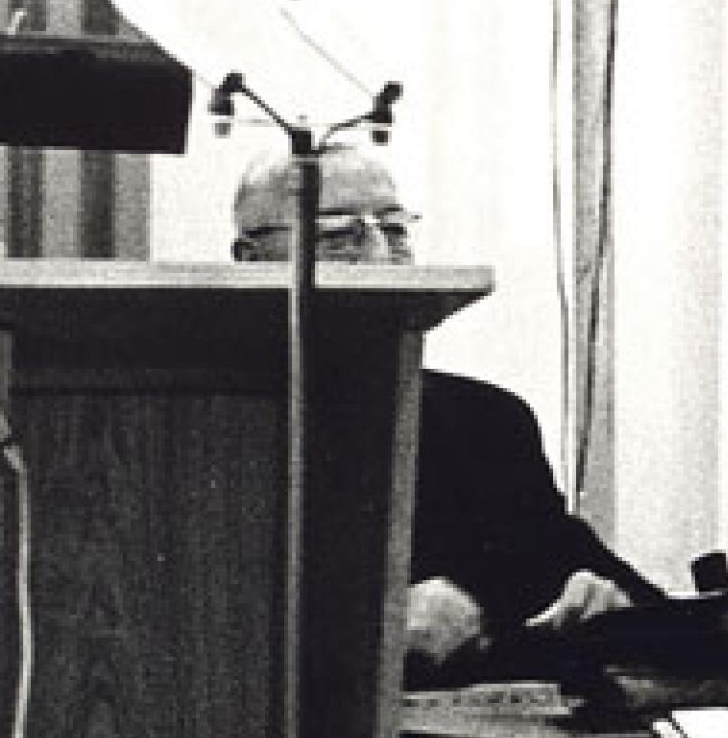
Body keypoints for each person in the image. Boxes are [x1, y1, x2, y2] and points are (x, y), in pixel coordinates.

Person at [230, 145, 662, 686]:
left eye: (395, 230)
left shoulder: (485, 421)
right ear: (250, 259)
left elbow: (618, 591)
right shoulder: (211, 428)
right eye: (339, 236)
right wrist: (370, 629)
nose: (381, 258)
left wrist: (608, 606)